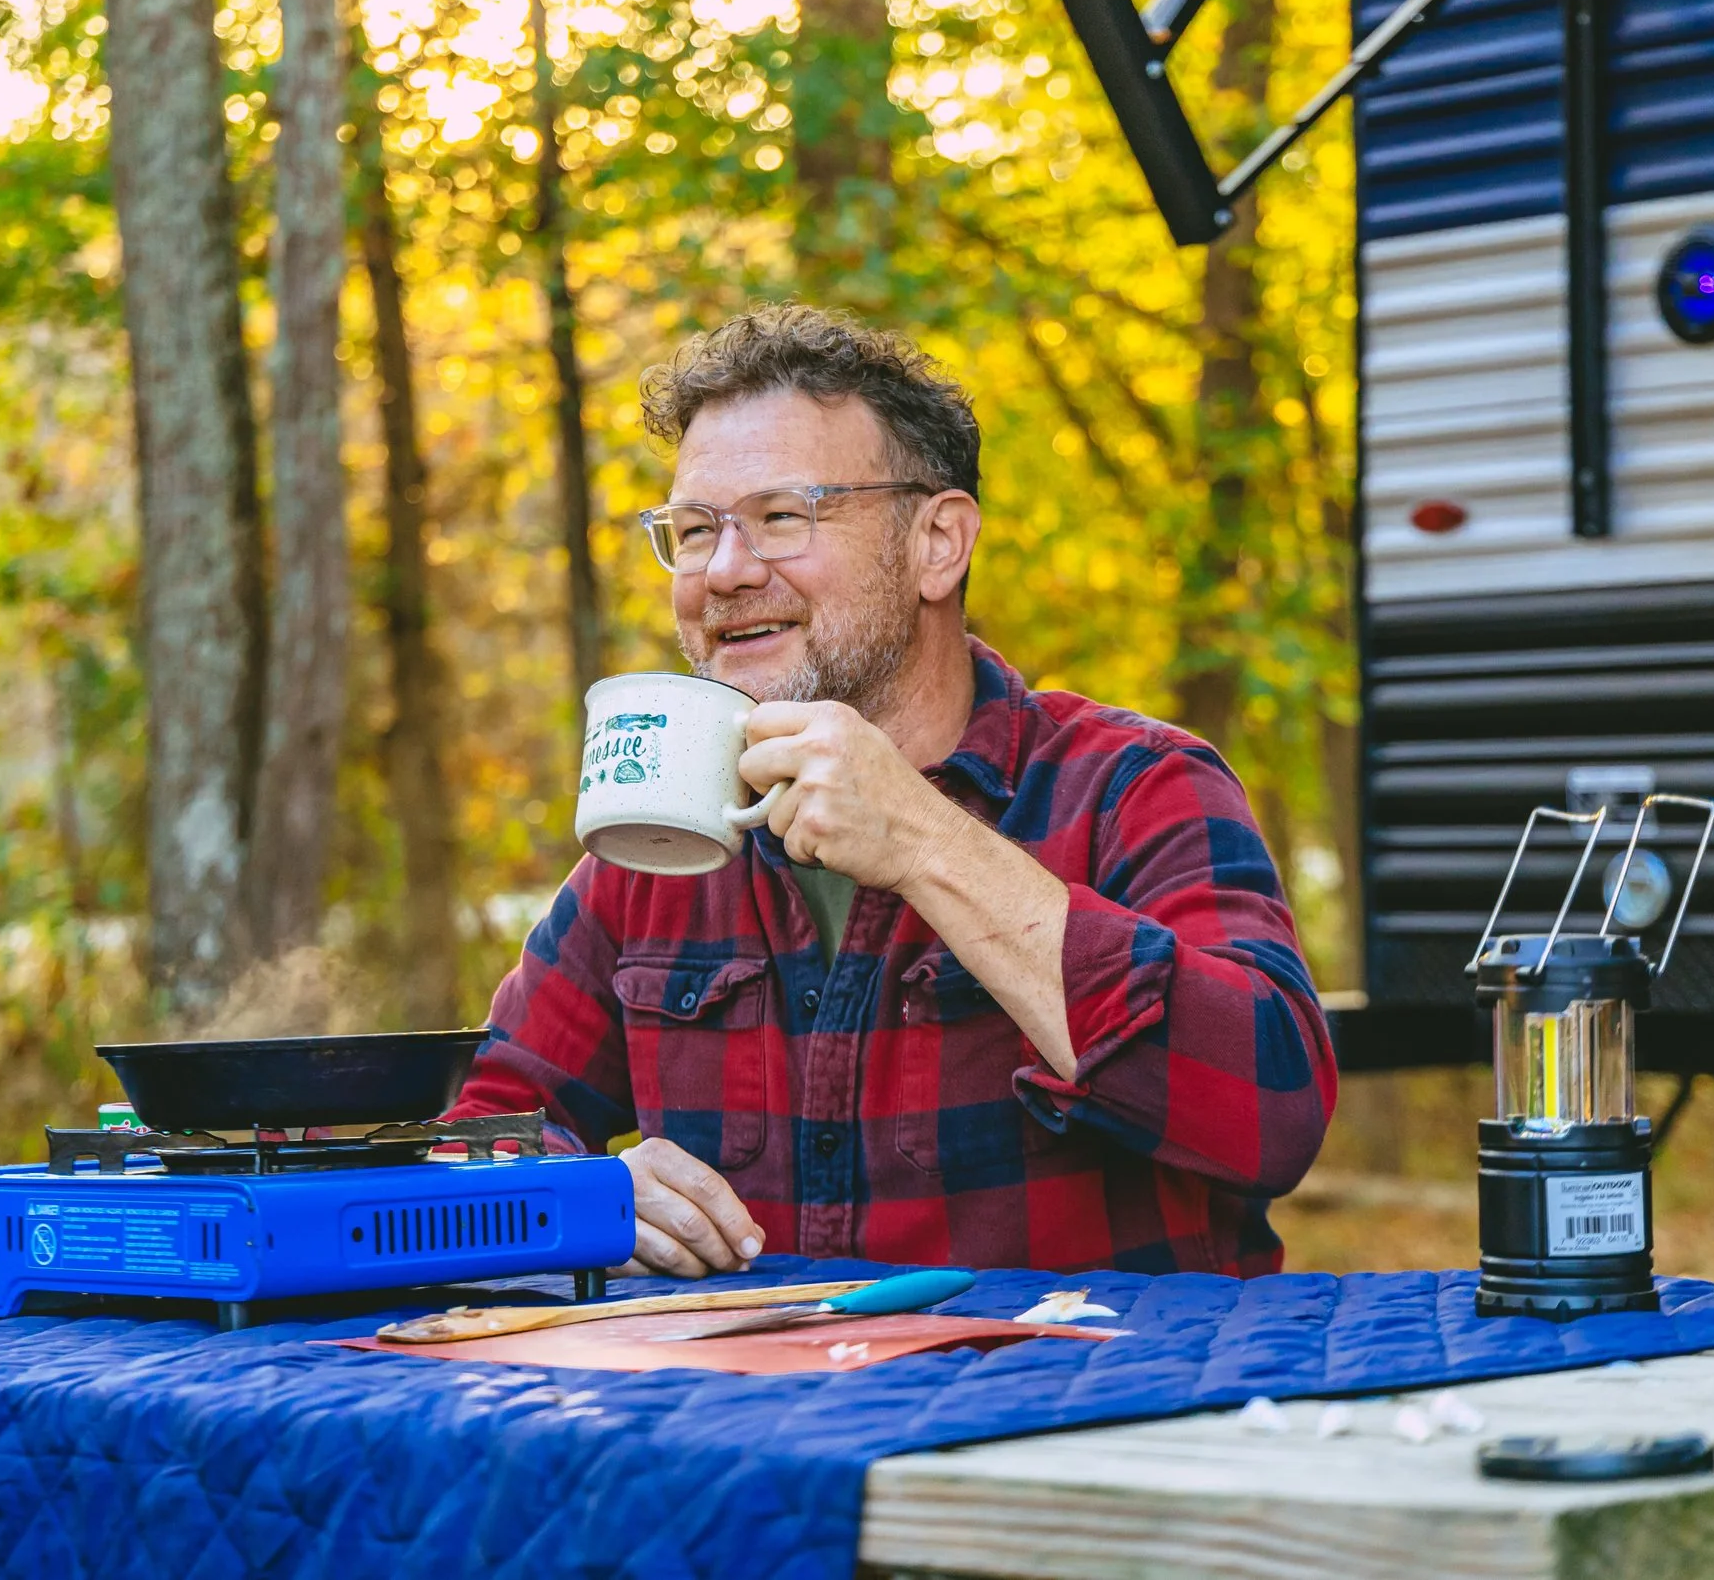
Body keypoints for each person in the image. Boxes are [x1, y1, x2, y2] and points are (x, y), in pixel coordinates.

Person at [448, 304, 1335, 1278]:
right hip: (752, 1420)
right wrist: (588, 1197)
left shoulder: (1136, 786)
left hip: (1080, 1413)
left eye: (782, 516)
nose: (726, 572)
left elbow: (1274, 1111)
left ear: (937, 544)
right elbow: (478, 1137)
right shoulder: (661, 845)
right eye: (695, 530)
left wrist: (924, 840)